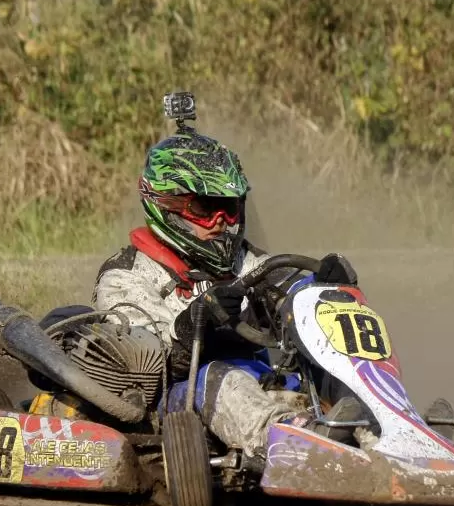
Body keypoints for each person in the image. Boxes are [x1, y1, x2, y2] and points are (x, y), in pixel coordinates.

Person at [92, 121, 364, 464]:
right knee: (220, 378)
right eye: (206, 209)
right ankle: (294, 444)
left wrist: (323, 290)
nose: (221, 220)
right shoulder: (125, 276)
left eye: (230, 207)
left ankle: (378, 430)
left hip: (264, 386)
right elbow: (142, 369)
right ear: (166, 205)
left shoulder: (249, 263)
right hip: (182, 400)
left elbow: (291, 304)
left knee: (330, 360)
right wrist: (195, 324)